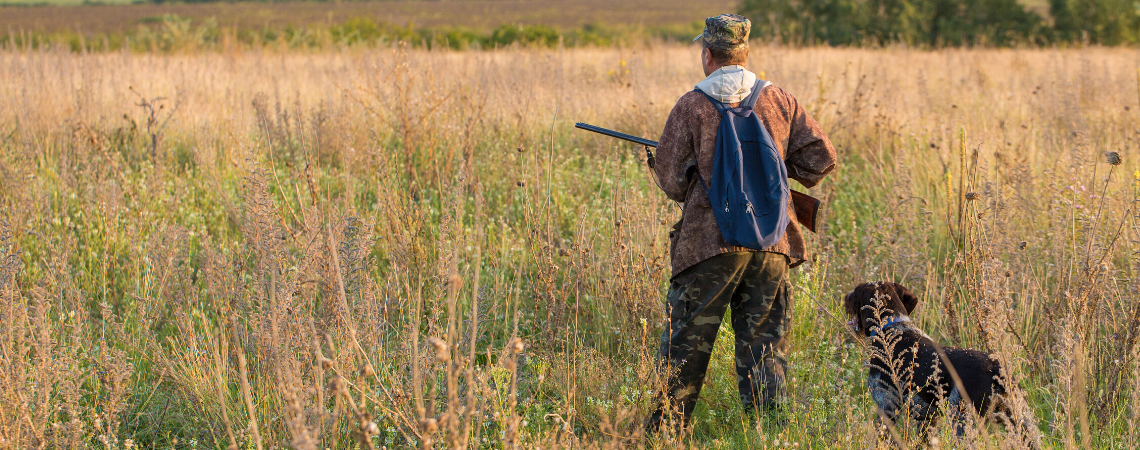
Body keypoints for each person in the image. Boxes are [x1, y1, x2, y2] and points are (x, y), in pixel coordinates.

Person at [647, 13, 837, 430]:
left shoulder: (692, 105)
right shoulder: (779, 100)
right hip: (773, 245)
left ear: (707, 54)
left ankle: (664, 436)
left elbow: (671, 180)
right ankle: (769, 435)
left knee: (685, 353)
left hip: (708, 248)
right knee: (766, 353)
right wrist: (771, 169)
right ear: (745, 54)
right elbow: (822, 158)